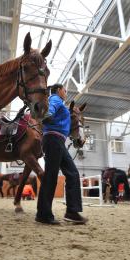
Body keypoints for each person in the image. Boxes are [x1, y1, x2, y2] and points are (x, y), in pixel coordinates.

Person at [36, 83, 88, 225]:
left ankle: (72, 212)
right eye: (65, 90)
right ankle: (43, 214)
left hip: (58, 140)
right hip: (53, 139)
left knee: (72, 173)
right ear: (59, 90)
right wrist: (48, 115)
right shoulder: (55, 99)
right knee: (51, 176)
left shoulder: (60, 104)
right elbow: (50, 108)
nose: (66, 92)